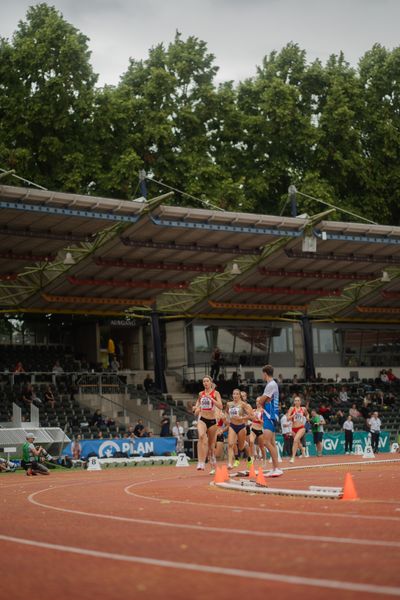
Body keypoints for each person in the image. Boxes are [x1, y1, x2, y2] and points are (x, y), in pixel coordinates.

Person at [256, 364, 283, 477]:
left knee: (266, 442)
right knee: (270, 442)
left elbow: (260, 401)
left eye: (263, 373)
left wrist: (262, 400)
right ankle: (275, 468)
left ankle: (277, 467)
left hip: (270, 415)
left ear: (265, 374)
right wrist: (264, 400)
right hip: (270, 415)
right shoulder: (272, 384)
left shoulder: (270, 385)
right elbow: (264, 400)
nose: (262, 375)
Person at [193, 375, 223, 473]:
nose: (205, 383)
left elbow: (221, 406)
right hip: (202, 419)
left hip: (212, 421)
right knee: (201, 436)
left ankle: (212, 457)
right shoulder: (201, 394)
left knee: (211, 445)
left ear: (211, 382)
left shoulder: (216, 393)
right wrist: (196, 408)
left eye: (207, 381)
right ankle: (201, 462)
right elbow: (197, 407)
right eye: (203, 381)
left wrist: (211, 399)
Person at [226, 388, 254, 470]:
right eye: (234, 394)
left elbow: (251, 415)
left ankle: (249, 457)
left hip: (241, 426)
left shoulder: (243, 404)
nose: (235, 395)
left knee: (241, 447)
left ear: (239, 396)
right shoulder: (229, 404)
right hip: (232, 426)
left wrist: (241, 418)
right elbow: (226, 412)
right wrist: (227, 418)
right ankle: (230, 463)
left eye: (237, 394)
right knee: (230, 444)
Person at [287, 396, 308, 464]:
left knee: (295, 440)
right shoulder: (291, 408)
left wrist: (307, 418)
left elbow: (307, 415)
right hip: (293, 428)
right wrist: (293, 415)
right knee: (298, 442)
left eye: (298, 400)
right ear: (294, 402)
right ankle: (302, 449)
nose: (297, 402)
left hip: (301, 427)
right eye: (295, 400)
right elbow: (288, 418)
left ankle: (293, 457)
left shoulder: (303, 409)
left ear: (300, 402)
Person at [249, 397, 266, 465]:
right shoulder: (253, 410)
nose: (257, 403)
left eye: (259, 401)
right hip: (253, 429)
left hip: (260, 430)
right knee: (251, 441)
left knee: (261, 447)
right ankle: (252, 457)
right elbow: (250, 417)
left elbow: (264, 422)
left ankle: (264, 459)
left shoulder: (263, 411)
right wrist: (250, 417)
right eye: (256, 401)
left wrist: (259, 420)